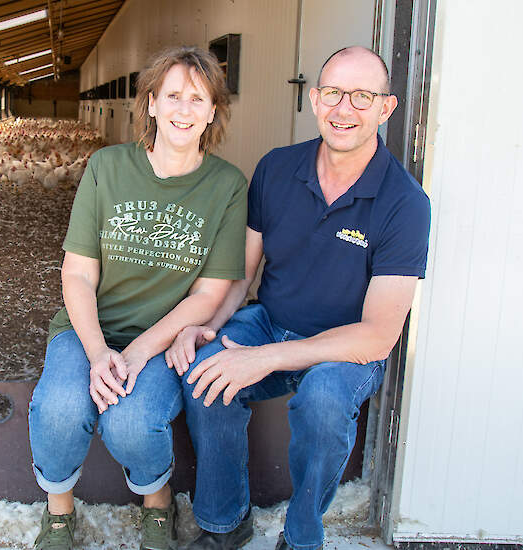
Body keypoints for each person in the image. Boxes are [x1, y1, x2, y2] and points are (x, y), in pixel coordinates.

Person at [166, 46, 431, 550]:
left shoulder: (405, 204)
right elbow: (242, 276)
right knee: (206, 369)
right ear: (314, 99)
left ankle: (302, 534)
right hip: (271, 320)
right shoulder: (277, 168)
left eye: (361, 96)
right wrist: (209, 325)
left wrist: (266, 359)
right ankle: (225, 523)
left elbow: (376, 336)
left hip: (344, 348)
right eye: (332, 93)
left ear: (386, 108)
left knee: (325, 400)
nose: (344, 108)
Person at [27, 45, 249, 550]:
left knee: (130, 422)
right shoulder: (107, 166)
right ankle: (59, 513)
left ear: (213, 110)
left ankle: (157, 500)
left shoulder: (227, 185)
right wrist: (99, 351)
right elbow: (78, 274)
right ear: (151, 103)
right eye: (173, 96)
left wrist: (137, 352)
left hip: (164, 338)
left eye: (198, 99)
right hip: (89, 328)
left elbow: (209, 294)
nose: (183, 110)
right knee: (59, 410)